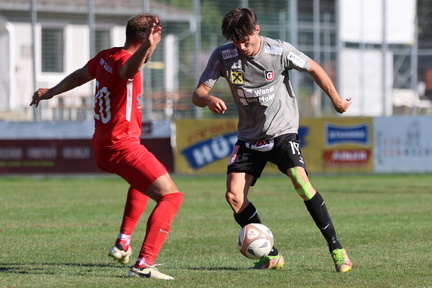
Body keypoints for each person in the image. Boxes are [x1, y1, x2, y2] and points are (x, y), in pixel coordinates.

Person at [192, 7, 353, 272]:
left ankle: (337, 249)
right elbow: (198, 93)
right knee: (233, 196)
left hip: (281, 132)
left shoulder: (279, 52)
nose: (242, 46)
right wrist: (207, 99)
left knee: (301, 181)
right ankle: (271, 255)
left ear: (257, 30)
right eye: (236, 41)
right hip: (248, 137)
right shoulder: (223, 55)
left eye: (246, 40)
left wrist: (336, 100)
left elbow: (314, 68)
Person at [30, 13, 183, 280]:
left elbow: (80, 75)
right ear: (147, 38)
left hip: (104, 144)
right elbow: (130, 70)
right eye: (155, 38)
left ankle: (123, 242)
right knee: (171, 197)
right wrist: (149, 46)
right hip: (121, 146)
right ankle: (144, 264)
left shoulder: (106, 56)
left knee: (143, 183)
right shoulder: (126, 62)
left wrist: (51, 91)